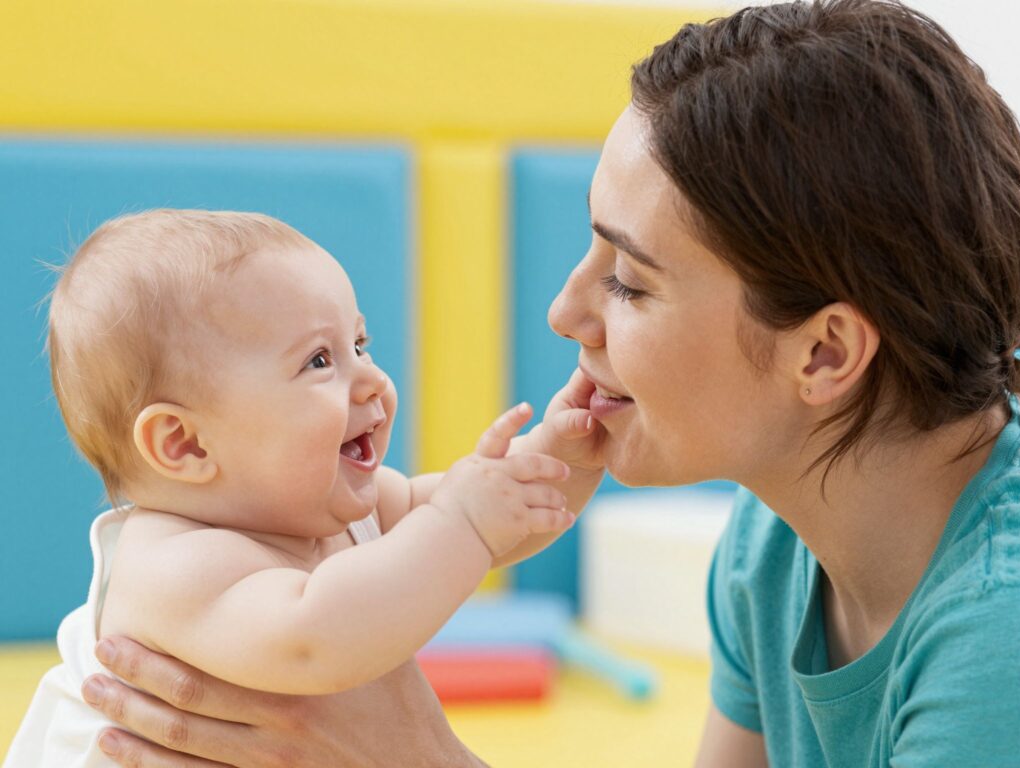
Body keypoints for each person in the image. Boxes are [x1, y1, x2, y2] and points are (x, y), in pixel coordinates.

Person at [75, 0, 1020, 765]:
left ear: (822, 356)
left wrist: (416, 758)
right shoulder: (777, 544)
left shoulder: (998, 646)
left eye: (628, 280)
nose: (565, 313)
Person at [5, 210, 604, 767]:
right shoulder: (172, 564)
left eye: (360, 345)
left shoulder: (334, 513)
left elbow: (486, 520)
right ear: (186, 444)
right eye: (319, 360)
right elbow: (316, 640)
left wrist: (562, 455)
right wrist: (465, 521)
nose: (372, 379)